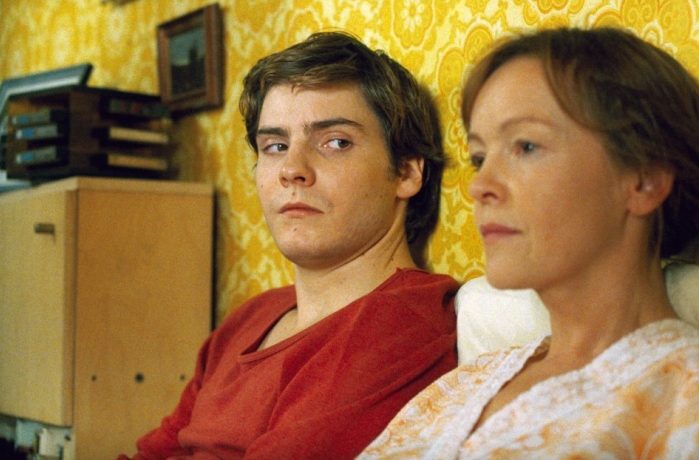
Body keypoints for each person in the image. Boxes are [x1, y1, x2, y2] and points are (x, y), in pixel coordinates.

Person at [359, 26, 699, 459]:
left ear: (644, 180)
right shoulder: (463, 383)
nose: (479, 185)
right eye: (480, 157)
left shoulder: (684, 402)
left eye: (526, 146)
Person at [118, 31, 459, 460]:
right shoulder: (250, 319)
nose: (291, 169)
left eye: (335, 142)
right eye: (276, 146)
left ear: (407, 172)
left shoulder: (400, 326)